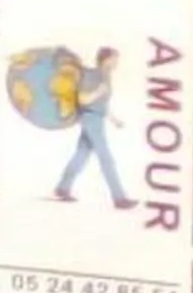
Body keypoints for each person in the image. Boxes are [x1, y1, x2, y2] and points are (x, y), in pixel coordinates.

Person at [54, 47, 136, 209]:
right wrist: (98, 91)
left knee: (81, 155)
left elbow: (102, 104)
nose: (116, 63)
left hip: (97, 119)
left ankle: (62, 188)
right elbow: (83, 100)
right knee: (106, 159)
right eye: (114, 59)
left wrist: (114, 119)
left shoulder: (106, 76)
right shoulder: (92, 75)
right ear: (106, 60)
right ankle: (119, 198)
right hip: (90, 118)